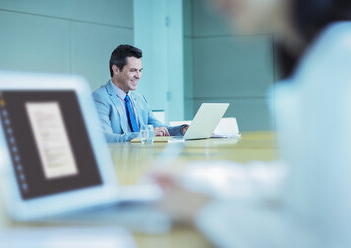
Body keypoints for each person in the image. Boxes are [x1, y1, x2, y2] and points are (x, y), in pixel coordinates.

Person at [151, 0, 351, 247]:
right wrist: (202, 178)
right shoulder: (320, 52)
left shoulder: (342, 55)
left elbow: (327, 239)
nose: (213, 4)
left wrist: (205, 211)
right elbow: (305, 185)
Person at [93, 45, 188, 143]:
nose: (138, 76)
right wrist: (145, 134)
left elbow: (159, 129)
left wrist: (183, 130)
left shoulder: (139, 99)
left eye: (140, 70)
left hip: (143, 156)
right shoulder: (99, 98)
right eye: (133, 70)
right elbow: (104, 138)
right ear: (116, 70)